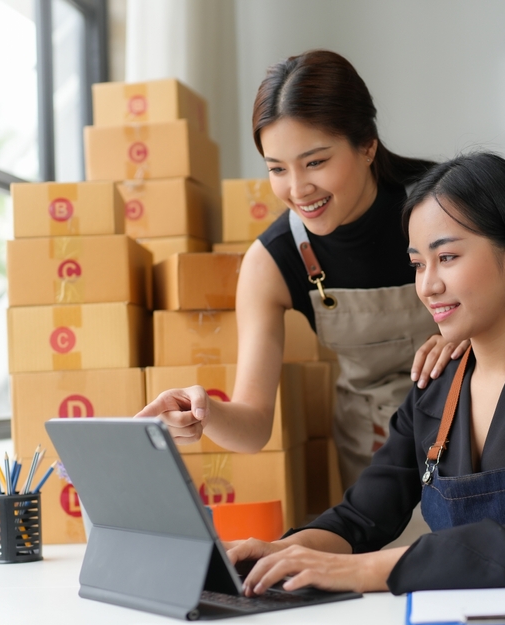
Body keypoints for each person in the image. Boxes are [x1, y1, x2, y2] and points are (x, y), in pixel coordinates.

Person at [225, 152, 505, 595]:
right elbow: (363, 517)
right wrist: (282, 550)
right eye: (417, 264)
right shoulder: (437, 383)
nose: (428, 285)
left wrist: (367, 571)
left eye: (446, 257)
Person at [138, 50, 466, 488]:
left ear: (367, 144)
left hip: (475, 427)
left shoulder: (446, 207)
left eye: (315, 162)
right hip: (379, 454)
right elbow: (253, 426)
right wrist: (204, 411)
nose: (298, 189)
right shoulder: (272, 261)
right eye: (277, 169)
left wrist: (469, 337)